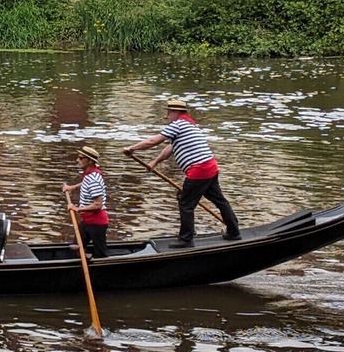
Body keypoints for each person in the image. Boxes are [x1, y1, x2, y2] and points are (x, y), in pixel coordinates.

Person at [123, 99, 241, 248]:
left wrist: (132, 148)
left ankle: (186, 239)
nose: (167, 116)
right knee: (219, 201)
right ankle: (234, 232)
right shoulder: (189, 125)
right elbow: (170, 148)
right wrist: (155, 162)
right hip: (209, 167)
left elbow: (153, 141)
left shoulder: (178, 125)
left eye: (169, 112)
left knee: (185, 203)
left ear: (176, 112)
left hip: (199, 170)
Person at [62, 145, 109, 258]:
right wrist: (72, 187)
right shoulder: (90, 175)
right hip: (87, 221)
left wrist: (77, 209)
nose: (77, 160)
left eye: (81, 158)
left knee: (101, 253)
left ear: (90, 161)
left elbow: (98, 204)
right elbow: (86, 184)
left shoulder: (93, 179)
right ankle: (87, 257)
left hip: (96, 223)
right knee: (76, 247)